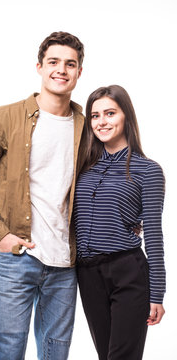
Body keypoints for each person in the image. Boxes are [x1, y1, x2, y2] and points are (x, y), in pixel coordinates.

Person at [0, 31, 84, 360]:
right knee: (8, 354)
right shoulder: (3, 118)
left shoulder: (86, 126)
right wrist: (0, 236)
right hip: (16, 259)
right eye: (54, 62)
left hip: (66, 264)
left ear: (79, 72)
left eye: (70, 64)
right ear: (40, 67)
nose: (62, 69)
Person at [74, 85, 166, 360]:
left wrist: (157, 294)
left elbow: (153, 233)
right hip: (88, 274)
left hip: (128, 271)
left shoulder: (148, 170)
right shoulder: (83, 167)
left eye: (110, 113)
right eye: (95, 115)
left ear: (126, 116)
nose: (102, 122)